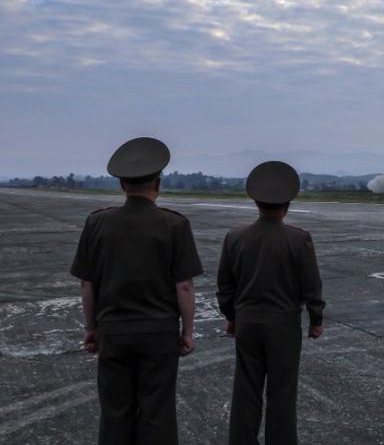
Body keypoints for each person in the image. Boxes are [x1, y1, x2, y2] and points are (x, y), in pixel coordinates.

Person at [70, 137, 204, 445]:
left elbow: (86, 283)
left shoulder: (97, 223)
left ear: (121, 186)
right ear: (158, 183)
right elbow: (183, 285)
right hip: (159, 334)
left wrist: (91, 328)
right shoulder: (174, 225)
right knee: (158, 414)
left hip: (113, 332)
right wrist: (187, 332)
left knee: (115, 414)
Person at [217, 161, 325, 445]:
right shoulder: (299, 239)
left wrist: (231, 316)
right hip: (284, 325)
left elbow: (225, 285)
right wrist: (316, 319)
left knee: (246, 389)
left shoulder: (235, 237)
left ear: (256, 202)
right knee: (282, 392)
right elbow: (311, 285)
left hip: (247, 322)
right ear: (287, 205)